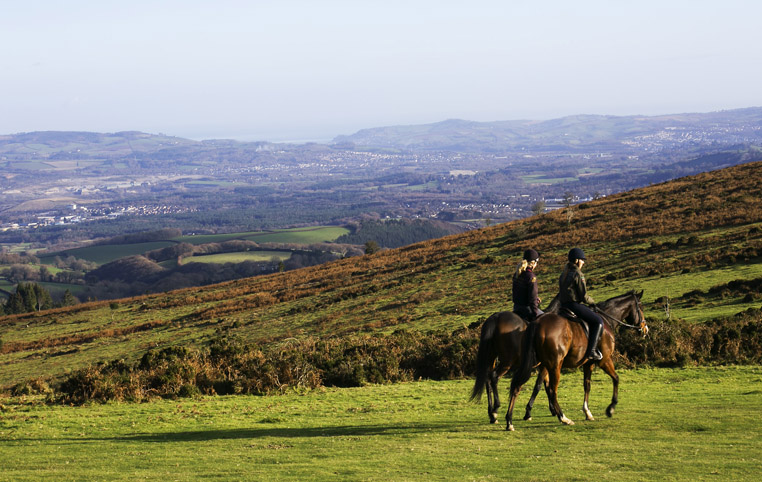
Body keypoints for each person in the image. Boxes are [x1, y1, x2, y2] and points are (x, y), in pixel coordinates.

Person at [559, 247, 603, 361]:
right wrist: (593, 302)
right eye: (582, 260)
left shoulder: (564, 273)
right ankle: (592, 351)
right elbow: (583, 296)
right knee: (598, 321)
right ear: (577, 260)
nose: (583, 262)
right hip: (574, 305)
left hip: (562, 306)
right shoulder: (578, 273)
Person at [512, 249, 543, 322]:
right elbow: (532, 298)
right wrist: (535, 313)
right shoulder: (531, 277)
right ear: (533, 263)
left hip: (516, 307)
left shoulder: (517, 274)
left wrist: (536, 299)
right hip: (527, 309)